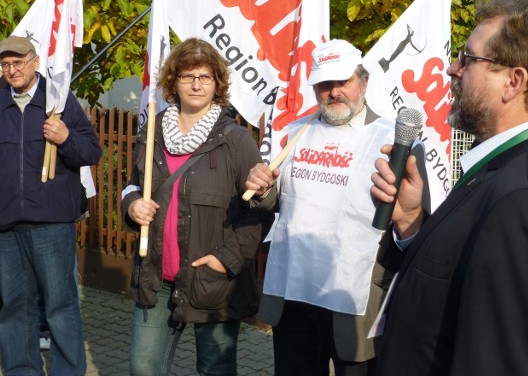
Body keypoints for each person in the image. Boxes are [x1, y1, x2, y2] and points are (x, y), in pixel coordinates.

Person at [370, 0, 528, 375]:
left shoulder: (525, 198)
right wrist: (410, 222)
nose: (451, 69)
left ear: (513, 81)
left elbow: (498, 361)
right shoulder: (506, 164)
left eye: (469, 58)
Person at [244, 39, 428, 376]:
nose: (334, 92)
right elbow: (274, 202)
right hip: (293, 295)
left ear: (364, 82)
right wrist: (261, 188)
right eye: (324, 85)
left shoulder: (395, 143)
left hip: (353, 299)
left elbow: (413, 223)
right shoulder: (295, 133)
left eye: (343, 82)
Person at [121, 38, 273, 376]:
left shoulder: (236, 140)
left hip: (213, 280)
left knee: (215, 370)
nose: (196, 84)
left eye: (205, 77)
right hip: (157, 276)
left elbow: (259, 212)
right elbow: (133, 184)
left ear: (217, 84)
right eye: (188, 76)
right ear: (173, 81)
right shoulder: (154, 130)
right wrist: (132, 205)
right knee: (143, 367)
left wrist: (226, 259)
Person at [0, 35, 102, 375]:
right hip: (6, 224)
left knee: (61, 306)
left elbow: (91, 151)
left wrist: (66, 138)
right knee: (14, 308)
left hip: (52, 223)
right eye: (5, 65)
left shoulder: (57, 99)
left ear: (34, 61)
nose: (11, 70)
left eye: (17, 63)